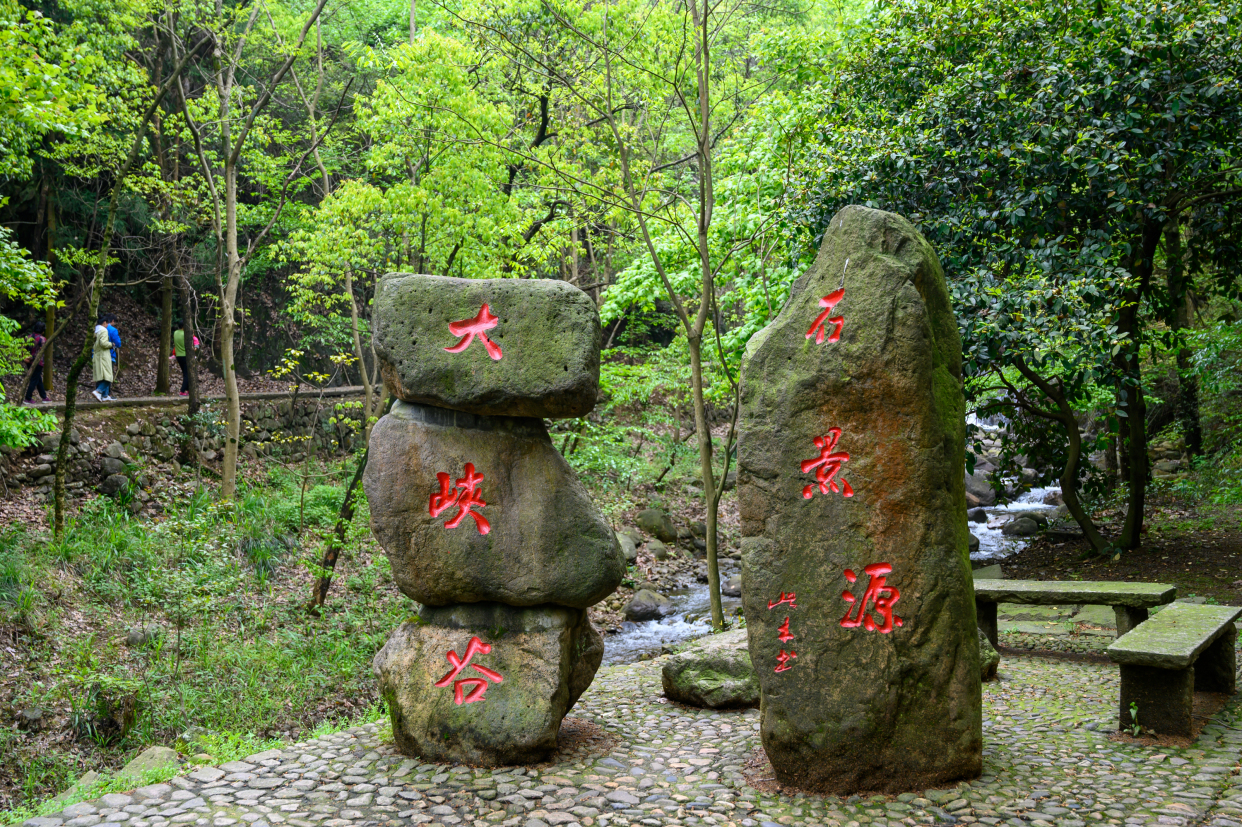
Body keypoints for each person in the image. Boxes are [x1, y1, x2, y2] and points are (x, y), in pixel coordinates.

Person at [22, 321, 49, 405]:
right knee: (34, 379)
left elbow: (23, 349)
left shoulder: (28, 337)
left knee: (38, 379)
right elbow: (41, 352)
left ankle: (44, 397)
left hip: (28, 361)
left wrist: (24, 358)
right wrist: (32, 358)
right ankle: (28, 398)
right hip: (37, 362)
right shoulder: (42, 339)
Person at [172, 321, 199, 397]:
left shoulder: (175, 333)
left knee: (185, 373)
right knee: (187, 374)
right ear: (184, 327)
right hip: (185, 356)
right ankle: (182, 391)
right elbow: (191, 343)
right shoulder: (186, 335)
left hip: (178, 356)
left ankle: (188, 390)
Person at [92, 313, 114, 401]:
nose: (108, 325)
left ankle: (104, 396)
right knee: (108, 377)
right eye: (107, 323)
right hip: (103, 356)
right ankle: (98, 391)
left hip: (97, 355)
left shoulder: (96, 331)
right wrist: (111, 344)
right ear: (104, 323)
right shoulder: (104, 331)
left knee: (101, 377)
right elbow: (103, 343)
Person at [106, 315, 122, 397]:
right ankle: (106, 394)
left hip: (97, 355)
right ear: (112, 321)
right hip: (109, 355)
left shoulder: (98, 328)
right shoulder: (112, 330)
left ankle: (100, 393)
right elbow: (118, 343)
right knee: (108, 375)